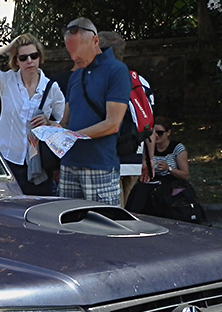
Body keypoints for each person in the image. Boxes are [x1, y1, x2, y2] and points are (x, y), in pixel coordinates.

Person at [35, 19, 129, 206]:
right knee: (69, 226)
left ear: (95, 42)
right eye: (70, 52)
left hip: (99, 164)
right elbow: (66, 123)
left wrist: (73, 136)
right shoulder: (76, 75)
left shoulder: (116, 71)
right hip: (69, 164)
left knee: (102, 228)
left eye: (78, 51)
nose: (73, 58)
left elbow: (113, 123)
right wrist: (51, 127)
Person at [0, 34, 65, 195]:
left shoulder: (51, 88)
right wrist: (9, 46)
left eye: (34, 56)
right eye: (23, 57)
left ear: (40, 57)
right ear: (16, 61)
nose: (29, 61)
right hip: (6, 159)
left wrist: (48, 123)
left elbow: (62, 123)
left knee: (36, 212)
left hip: (38, 164)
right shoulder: (6, 81)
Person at [98, 30, 155, 208]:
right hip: (134, 154)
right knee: (125, 207)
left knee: (111, 212)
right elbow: (148, 124)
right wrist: (149, 159)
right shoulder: (139, 81)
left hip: (108, 156)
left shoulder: (100, 80)